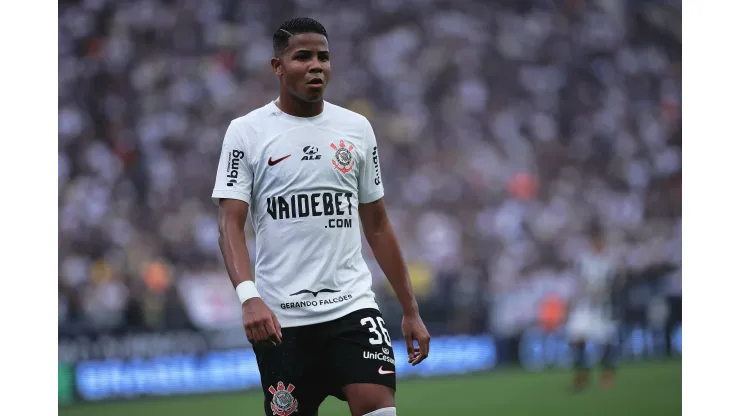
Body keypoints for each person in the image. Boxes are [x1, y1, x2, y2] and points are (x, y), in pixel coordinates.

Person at [211, 17, 430, 416]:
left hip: (351, 308)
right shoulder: (246, 133)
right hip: (281, 322)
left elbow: (377, 223)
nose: (316, 65)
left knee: (379, 406)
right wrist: (249, 298)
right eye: (303, 57)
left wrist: (410, 310)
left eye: (324, 57)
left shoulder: (356, 129)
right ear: (278, 67)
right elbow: (230, 223)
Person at [565, 225, 623, 391]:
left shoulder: (610, 261)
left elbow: (616, 282)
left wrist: (605, 291)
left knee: (606, 340)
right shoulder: (584, 260)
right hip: (585, 306)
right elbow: (578, 282)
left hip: (603, 307)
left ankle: (607, 374)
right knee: (575, 337)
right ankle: (582, 373)